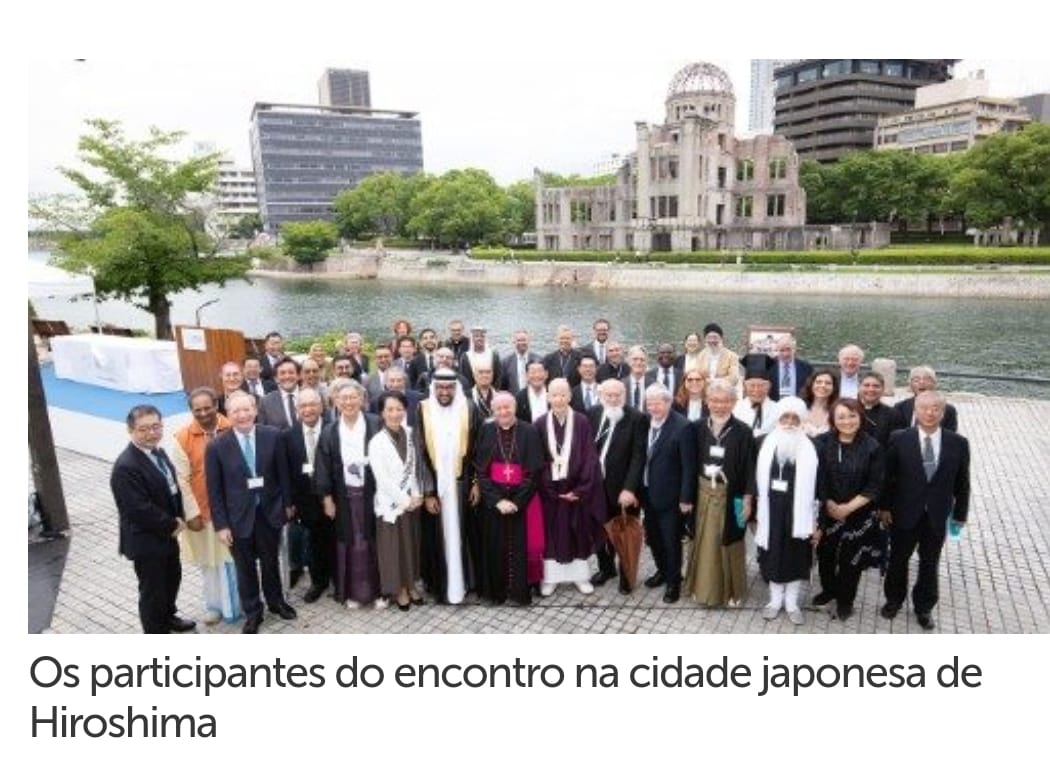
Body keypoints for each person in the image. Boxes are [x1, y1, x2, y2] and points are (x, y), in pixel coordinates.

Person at [206, 391, 296, 634]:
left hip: (269, 513)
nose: (242, 415)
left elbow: (283, 474)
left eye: (247, 409)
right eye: (236, 411)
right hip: (237, 519)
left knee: (270, 562)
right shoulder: (216, 446)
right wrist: (221, 525)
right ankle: (253, 612)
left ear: (255, 410)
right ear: (228, 414)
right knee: (244, 568)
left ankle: (276, 602)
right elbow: (214, 491)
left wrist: (287, 504)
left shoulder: (273, 436)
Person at [880, 391, 970, 631]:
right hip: (903, 512)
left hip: (937, 515)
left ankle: (924, 607)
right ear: (915, 411)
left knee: (930, 563)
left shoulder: (958, 443)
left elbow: (963, 482)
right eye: (924, 408)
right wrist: (885, 507)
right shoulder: (899, 438)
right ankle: (893, 600)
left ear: (943, 412)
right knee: (898, 559)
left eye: (935, 409)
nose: (929, 413)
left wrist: (960, 515)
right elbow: (888, 478)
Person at [111, 405, 195, 634]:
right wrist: (173, 524)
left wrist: (181, 516)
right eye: (143, 429)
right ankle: (155, 632)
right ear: (131, 431)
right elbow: (137, 509)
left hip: (167, 536)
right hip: (147, 542)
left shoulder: (158, 452)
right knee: (152, 591)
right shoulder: (126, 466)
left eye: (156, 427)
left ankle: (168, 617)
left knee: (171, 580)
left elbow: (171, 488)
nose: (151, 433)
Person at [681, 379, 756, 608]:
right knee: (702, 541)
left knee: (733, 537)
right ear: (707, 401)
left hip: (733, 496)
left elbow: (751, 468)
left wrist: (747, 498)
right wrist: (685, 497)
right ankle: (700, 589)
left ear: (733, 402)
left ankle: (731, 591)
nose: (719, 405)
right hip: (702, 494)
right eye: (714, 400)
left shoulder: (743, 431)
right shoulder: (695, 428)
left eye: (725, 401)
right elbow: (688, 465)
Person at [171, 388, 240, 625]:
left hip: (233, 509)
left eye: (207, 407)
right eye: (196, 409)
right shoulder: (182, 438)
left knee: (233, 559)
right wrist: (193, 513)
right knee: (209, 562)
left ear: (216, 404)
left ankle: (238, 605)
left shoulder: (233, 426)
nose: (203, 413)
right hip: (202, 513)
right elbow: (181, 478)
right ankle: (214, 606)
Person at [313, 380, 384, 609]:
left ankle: (380, 591)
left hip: (373, 493)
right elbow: (322, 467)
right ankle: (352, 593)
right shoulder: (329, 431)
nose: (349, 402)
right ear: (335, 401)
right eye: (343, 398)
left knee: (375, 542)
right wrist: (326, 499)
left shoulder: (376, 423)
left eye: (353, 397)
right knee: (351, 544)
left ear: (362, 400)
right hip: (345, 497)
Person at [813, 398, 885, 621]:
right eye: (841, 416)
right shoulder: (821, 443)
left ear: (860, 417)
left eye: (852, 415)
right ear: (833, 420)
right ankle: (828, 590)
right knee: (825, 554)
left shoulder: (872, 446)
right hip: (827, 510)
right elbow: (816, 477)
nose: (847, 421)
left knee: (851, 560)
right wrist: (829, 503)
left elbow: (875, 485)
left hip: (859, 513)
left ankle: (846, 600)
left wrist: (847, 508)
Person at [534, 379, 608, 596]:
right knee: (552, 536)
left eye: (563, 394)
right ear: (548, 397)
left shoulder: (582, 421)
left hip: (576, 492)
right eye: (554, 395)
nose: (559, 399)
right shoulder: (539, 424)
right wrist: (550, 489)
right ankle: (550, 578)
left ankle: (580, 576)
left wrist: (580, 489)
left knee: (578, 533)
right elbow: (537, 459)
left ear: (569, 396)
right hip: (551, 494)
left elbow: (590, 457)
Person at [416, 368, 482, 605]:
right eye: (440, 387)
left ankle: (467, 582)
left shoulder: (469, 409)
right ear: (434, 388)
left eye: (449, 387)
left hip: (463, 486)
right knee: (438, 536)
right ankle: (440, 585)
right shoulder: (422, 410)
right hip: (437, 490)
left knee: (465, 534)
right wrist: (428, 492)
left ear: (456, 388)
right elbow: (420, 452)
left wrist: (476, 483)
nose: (445, 392)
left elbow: (477, 451)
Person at [474, 392, 544, 605]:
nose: (503, 412)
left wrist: (516, 502)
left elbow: (534, 472)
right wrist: (497, 501)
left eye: (507, 407)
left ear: (514, 408)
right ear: (493, 411)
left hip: (520, 502)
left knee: (519, 547)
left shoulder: (529, 431)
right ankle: (497, 592)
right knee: (495, 546)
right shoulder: (486, 430)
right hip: (494, 503)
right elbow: (481, 471)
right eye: (499, 409)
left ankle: (518, 592)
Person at [754, 397, 819, 625]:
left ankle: (791, 603)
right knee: (773, 556)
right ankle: (774, 601)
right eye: (785, 417)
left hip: (798, 514)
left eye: (794, 418)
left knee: (795, 558)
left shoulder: (810, 447)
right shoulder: (764, 443)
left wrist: (815, 519)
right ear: (778, 419)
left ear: (800, 421)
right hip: (771, 512)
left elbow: (818, 486)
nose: (789, 422)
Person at [588, 379, 646, 593]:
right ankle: (606, 568)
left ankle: (625, 574)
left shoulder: (637, 418)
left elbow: (638, 456)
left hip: (623, 490)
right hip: (597, 488)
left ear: (624, 395)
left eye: (617, 395)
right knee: (599, 531)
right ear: (601, 395)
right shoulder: (592, 413)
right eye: (609, 395)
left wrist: (630, 488)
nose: (613, 399)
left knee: (624, 533)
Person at [369, 391, 425, 611]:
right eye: (390, 409)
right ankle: (400, 589)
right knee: (395, 548)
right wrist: (404, 500)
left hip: (413, 501)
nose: (395, 414)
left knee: (411, 545)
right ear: (382, 413)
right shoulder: (377, 442)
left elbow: (417, 467)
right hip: (392, 504)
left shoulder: (411, 434)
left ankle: (412, 585)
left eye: (399, 409)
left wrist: (418, 494)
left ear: (405, 410)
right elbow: (381, 478)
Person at [639, 383, 692, 604]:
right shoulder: (644, 423)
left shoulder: (682, 426)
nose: (653, 407)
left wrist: (686, 498)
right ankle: (662, 571)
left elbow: (689, 466)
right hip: (647, 494)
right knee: (653, 539)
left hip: (671, 497)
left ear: (669, 402)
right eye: (649, 403)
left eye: (657, 403)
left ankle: (674, 582)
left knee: (671, 541)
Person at [282, 388, 334, 604]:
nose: (308, 409)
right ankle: (318, 581)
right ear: (297, 410)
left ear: (321, 407)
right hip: (306, 501)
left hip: (333, 498)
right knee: (314, 543)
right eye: (303, 406)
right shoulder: (287, 436)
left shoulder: (334, 430)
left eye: (313, 404)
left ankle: (340, 579)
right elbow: (285, 472)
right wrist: (290, 502)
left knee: (336, 539)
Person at [891, 365, 959, 433]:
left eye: (927, 379)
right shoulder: (900, 408)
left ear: (935, 384)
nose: (922, 382)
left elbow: (950, 437)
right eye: (916, 380)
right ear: (910, 385)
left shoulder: (948, 410)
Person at [733, 356, 777, 437]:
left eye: (761, 385)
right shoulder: (735, 409)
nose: (756, 390)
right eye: (752, 385)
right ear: (744, 386)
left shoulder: (778, 409)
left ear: (769, 386)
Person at [258, 357, 301, 430]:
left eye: (291, 372)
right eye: (282, 373)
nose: (287, 376)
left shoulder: (311, 396)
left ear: (298, 376)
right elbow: (262, 430)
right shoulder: (266, 402)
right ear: (276, 378)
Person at [767, 335, 813, 401]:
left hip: (798, 406)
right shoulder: (769, 366)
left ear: (794, 349)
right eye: (782, 350)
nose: (786, 354)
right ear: (777, 350)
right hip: (775, 406)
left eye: (788, 349)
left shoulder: (806, 367)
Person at [858, 371, 894, 447]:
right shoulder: (849, 410)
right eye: (866, 385)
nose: (871, 389)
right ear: (859, 387)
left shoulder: (892, 414)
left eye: (876, 386)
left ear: (883, 389)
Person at [500, 329, 542, 395]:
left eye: (524, 340)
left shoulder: (539, 360)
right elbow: (502, 387)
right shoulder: (505, 362)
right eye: (519, 340)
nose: (521, 343)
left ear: (529, 341)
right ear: (514, 342)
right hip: (514, 400)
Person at [801, 369, 839, 438]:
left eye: (828, 383)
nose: (823, 385)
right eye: (818, 382)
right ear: (811, 385)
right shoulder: (800, 407)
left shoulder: (837, 411)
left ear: (834, 388)